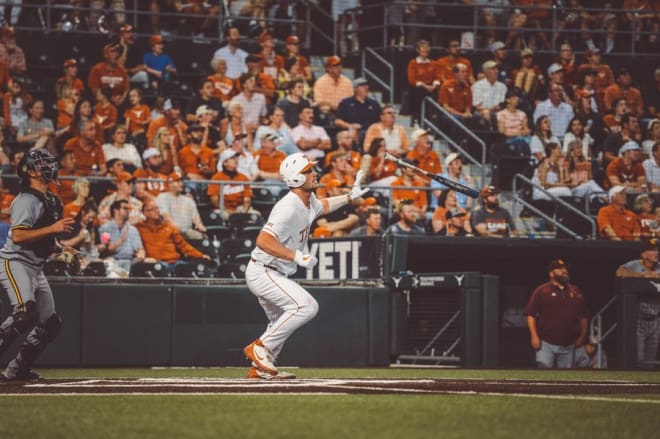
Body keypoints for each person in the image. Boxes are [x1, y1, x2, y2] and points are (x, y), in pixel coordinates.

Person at [243, 153, 368, 379]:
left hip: (275, 272)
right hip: (263, 271)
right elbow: (263, 240)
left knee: (278, 322)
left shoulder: (308, 201)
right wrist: (296, 257)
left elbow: (324, 206)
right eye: (308, 170)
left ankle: (259, 368)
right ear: (296, 178)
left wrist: (350, 197)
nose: (314, 173)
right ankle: (258, 348)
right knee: (306, 306)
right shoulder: (288, 206)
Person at [0, 148, 74, 382]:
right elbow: (19, 236)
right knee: (24, 315)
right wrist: (54, 229)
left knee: (50, 323)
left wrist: (62, 250)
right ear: (30, 171)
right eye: (42, 164)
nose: (49, 167)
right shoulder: (25, 199)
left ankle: (17, 369)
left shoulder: (50, 200)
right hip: (15, 262)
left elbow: (44, 239)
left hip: (35, 266)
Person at [525, 259, 588, 369]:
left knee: (566, 380)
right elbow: (531, 314)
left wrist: (582, 336)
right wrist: (534, 336)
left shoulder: (575, 291)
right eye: (559, 269)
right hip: (546, 344)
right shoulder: (542, 290)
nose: (564, 271)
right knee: (543, 375)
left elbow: (583, 316)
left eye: (565, 269)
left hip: (569, 345)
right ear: (551, 273)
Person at [616, 238, 660, 368]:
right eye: (652, 250)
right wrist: (642, 276)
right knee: (638, 360)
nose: (657, 252)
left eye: (658, 249)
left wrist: (652, 276)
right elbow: (620, 272)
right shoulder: (635, 264)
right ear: (643, 254)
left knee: (650, 361)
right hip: (639, 320)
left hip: (656, 320)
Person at [136, 200, 211, 270]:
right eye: (152, 209)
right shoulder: (139, 228)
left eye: (157, 208)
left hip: (175, 263)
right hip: (156, 264)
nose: (157, 211)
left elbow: (183, 245)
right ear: (144, 213)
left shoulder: (169, 227)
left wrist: (200, 255)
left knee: (193, 269)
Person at [98, 199, 146, 274]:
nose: (128, 211)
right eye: (125, 208)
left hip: (131, 262)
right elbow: (107, 249)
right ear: (116, 210)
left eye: (129, 209)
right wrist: (121, 240)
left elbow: (140, 249)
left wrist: (141, 255)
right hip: (113, 261)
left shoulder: (133, 230)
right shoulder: (105, 229)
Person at [156, 172, 207, 240]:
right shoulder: (163, 197)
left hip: (187, 231)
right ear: (170, 184)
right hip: (170, 231)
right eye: (178, 181)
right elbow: (165, 216)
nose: (181, 184)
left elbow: (196, 218)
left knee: (204, 239)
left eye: (182, 181)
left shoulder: (188, 200)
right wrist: (175, 227)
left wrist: (199, 225)